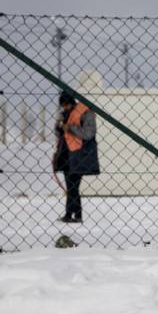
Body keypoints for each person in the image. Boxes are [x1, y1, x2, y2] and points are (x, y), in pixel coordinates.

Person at [53, 91, 99, 223]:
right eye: (63, 106)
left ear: (72, 103)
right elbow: (59, 133)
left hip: (80, 155)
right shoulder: (63, 115)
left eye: (66, 105)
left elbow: (88, 133)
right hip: (66, 154)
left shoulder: (86, 112)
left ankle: (74, 215)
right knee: (71, 186)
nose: (65, 108)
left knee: (73, 186)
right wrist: (59, 126)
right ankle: (73, 215)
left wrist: (71, 128)